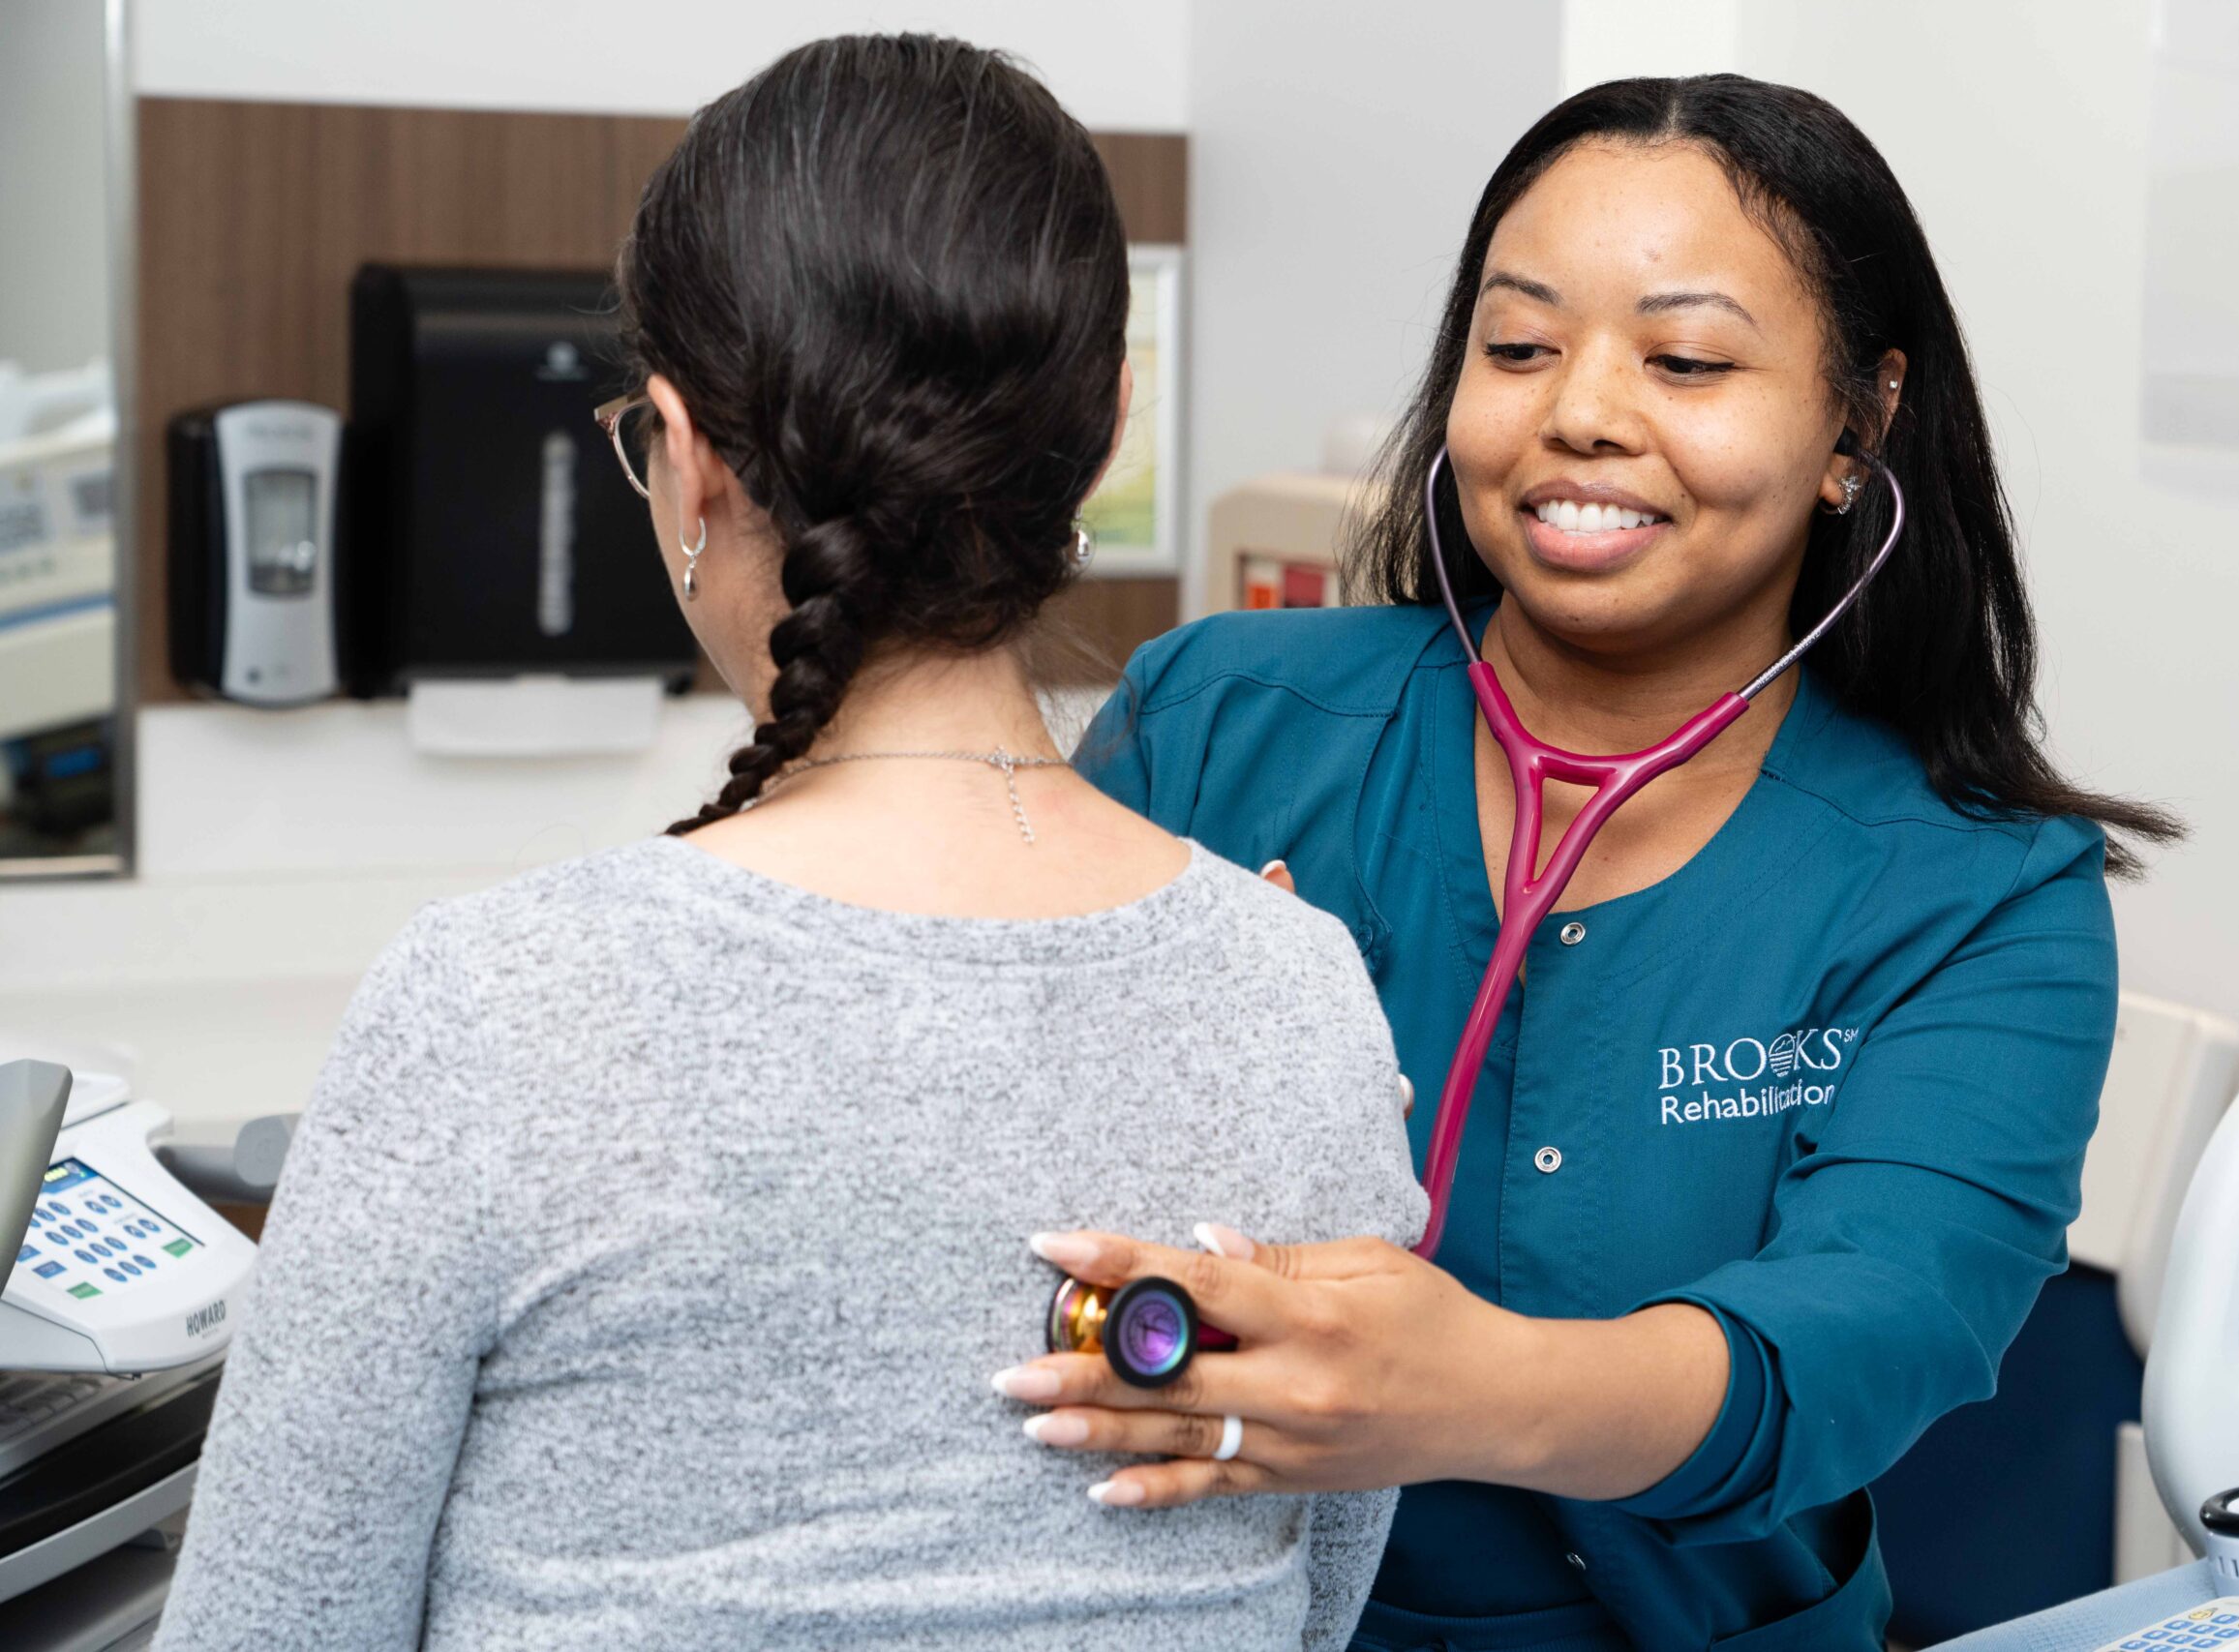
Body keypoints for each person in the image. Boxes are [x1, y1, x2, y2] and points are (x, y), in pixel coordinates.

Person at [153, 35, 1424, 1652]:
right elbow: (1313, 1613)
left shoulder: (495, 1007)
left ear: (685, 457)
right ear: (1108, 426)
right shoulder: (1302, 1000)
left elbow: (270, 1627)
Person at [1011, 75, 2180, 1650]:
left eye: (1686, 358)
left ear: (1860, 423)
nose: (1581, 411)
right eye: (1519, 345)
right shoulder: (1216, 726)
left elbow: (1864, 1337)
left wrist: (1458, 1390)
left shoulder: (1979, 893)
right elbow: (987, 1168)